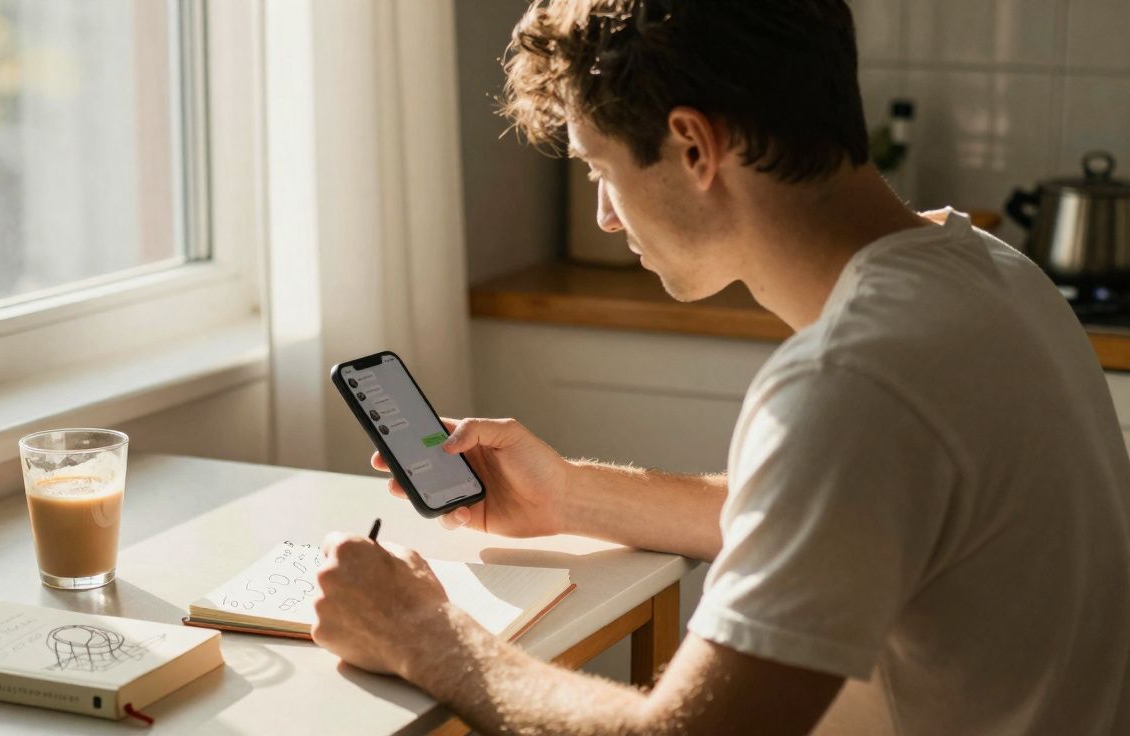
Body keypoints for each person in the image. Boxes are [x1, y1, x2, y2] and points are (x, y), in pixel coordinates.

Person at [312, 1, 1130, 733]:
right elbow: (838, 516)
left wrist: (422, 633)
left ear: (694, 145)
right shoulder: (988, 272)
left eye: (602, 169)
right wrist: (568, 494)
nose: (603, 215)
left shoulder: (852, 381)